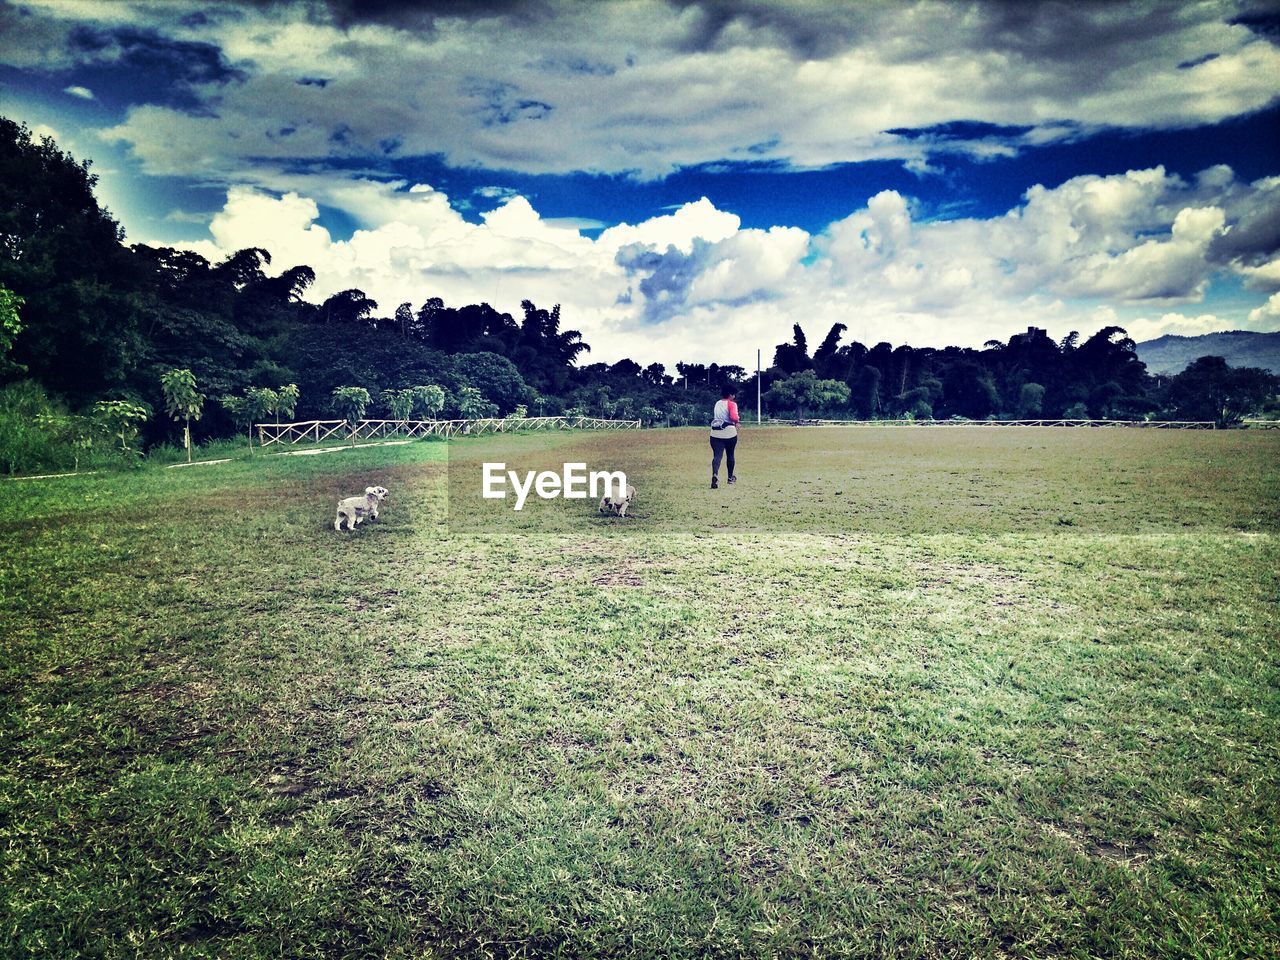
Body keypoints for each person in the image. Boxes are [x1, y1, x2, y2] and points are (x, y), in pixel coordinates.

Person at [709, 387, 740, 489]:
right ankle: (730, 478)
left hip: (715, 432)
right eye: (733, 394)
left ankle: (715, 475)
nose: (734, 397)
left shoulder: (717, 403)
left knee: (717, 456)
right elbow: (734, 417)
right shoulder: (732, 404)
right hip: (729, 432)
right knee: (730, 455)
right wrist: (737, 422)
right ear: (730, 394)